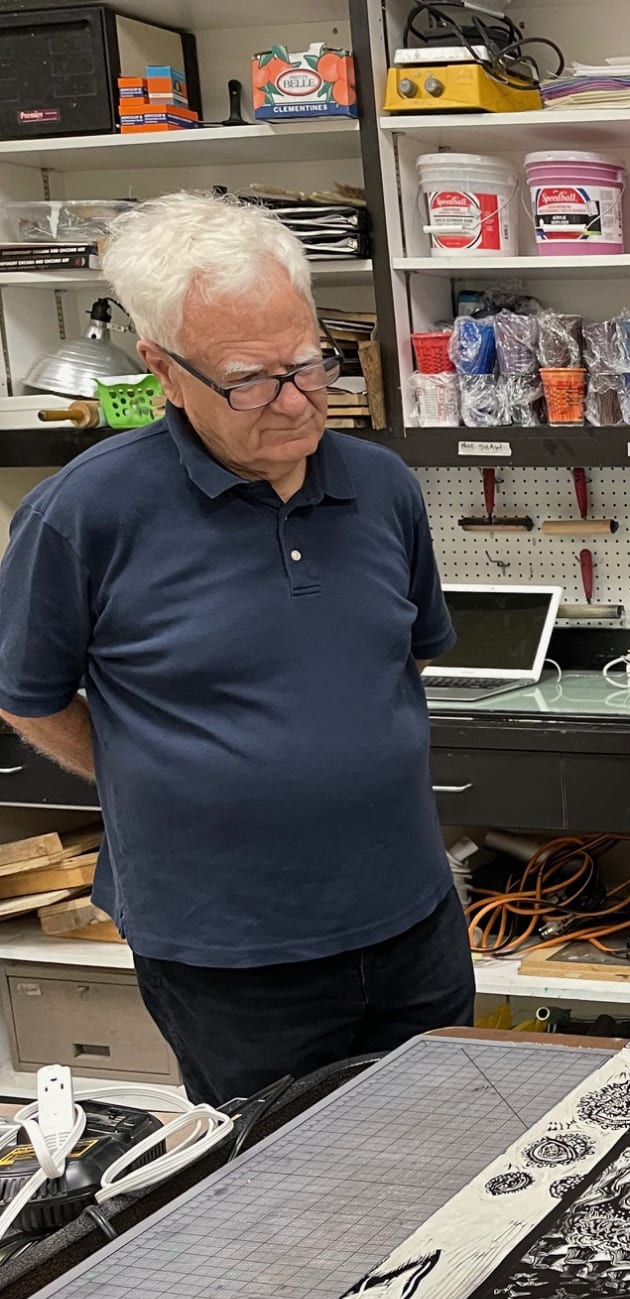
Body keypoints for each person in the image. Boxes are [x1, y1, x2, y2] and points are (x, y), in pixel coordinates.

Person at [0, 193, 473, 1105]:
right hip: (229, 954)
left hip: (412, 921)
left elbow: (401, 662)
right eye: (250, 379)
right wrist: (154, 774)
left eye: (309, 363)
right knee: (276, 1179)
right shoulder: (84, 512)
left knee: (450, 1148)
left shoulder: (382, 486)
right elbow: (27, 694)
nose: (295, 402)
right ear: (163, 370)